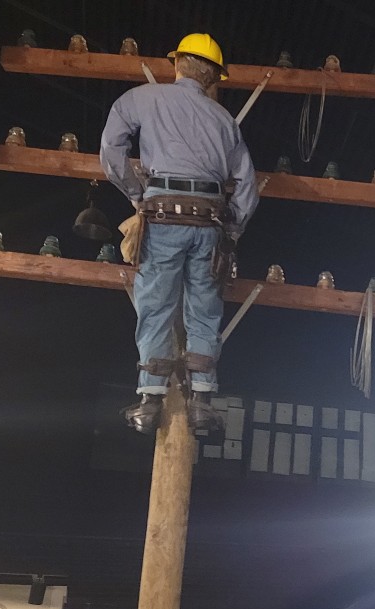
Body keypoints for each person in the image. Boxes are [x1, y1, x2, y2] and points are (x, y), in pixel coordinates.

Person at [101, 32, 259, 434]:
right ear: (212, 76)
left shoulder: (140, 99)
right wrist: (232, 229)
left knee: (155, 303)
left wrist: (139, 195)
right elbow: (246, 186)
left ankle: (150, 401)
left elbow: (111, 152)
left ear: (177, 64)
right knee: (204, 308)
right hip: (209, 224)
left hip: (163, 217)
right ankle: (202, 401)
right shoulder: (225, 121)